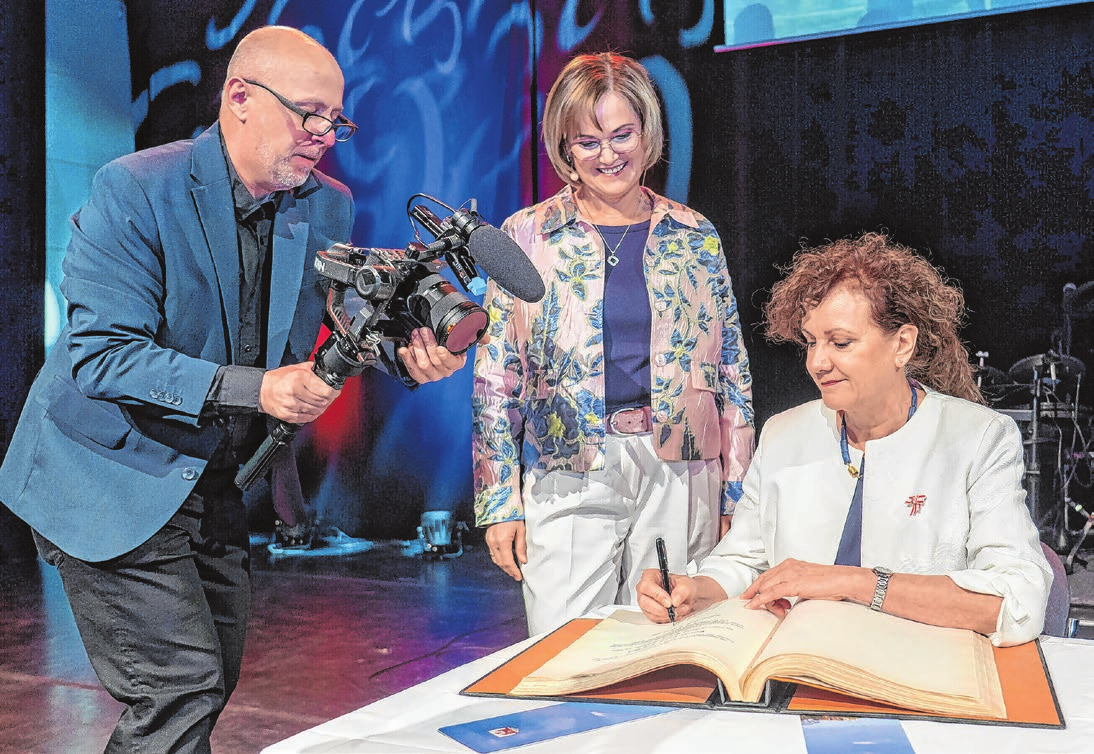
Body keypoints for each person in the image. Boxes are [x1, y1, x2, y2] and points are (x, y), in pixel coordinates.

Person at [0, 26, 465, 752]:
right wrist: (259, 389)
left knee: (210, 680)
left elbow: (333, 332)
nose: (323, 135)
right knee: (179, 686)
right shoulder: (136, 188)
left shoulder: (326, 204)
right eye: (307, 113)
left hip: (209, 477)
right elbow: (103, 357)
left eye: (335, 120)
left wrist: (406, 360)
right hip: (103, 474)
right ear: (239, 98)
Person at [637, 232, 1052, 646]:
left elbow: (1019, 601)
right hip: (800, 663)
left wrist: (851, 582)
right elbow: (743, 563)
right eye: (811, 342)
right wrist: (693, 590)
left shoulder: (978, 438)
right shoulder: (783, 435)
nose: (817, 362)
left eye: (840, 342)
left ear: (902, 344)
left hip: (917, 666)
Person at [473, 52, 755, 635]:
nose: (607, 155)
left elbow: (732, 371)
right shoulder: (526, 234)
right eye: (587, 141)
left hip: (680, 466)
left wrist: (739, 496)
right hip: (568, 463)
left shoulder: (694, 234)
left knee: (671, 639)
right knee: (564, 645)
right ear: (564, 146)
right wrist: (499, 501)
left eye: (622, 135)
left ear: (647, 133)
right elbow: (497, 376)